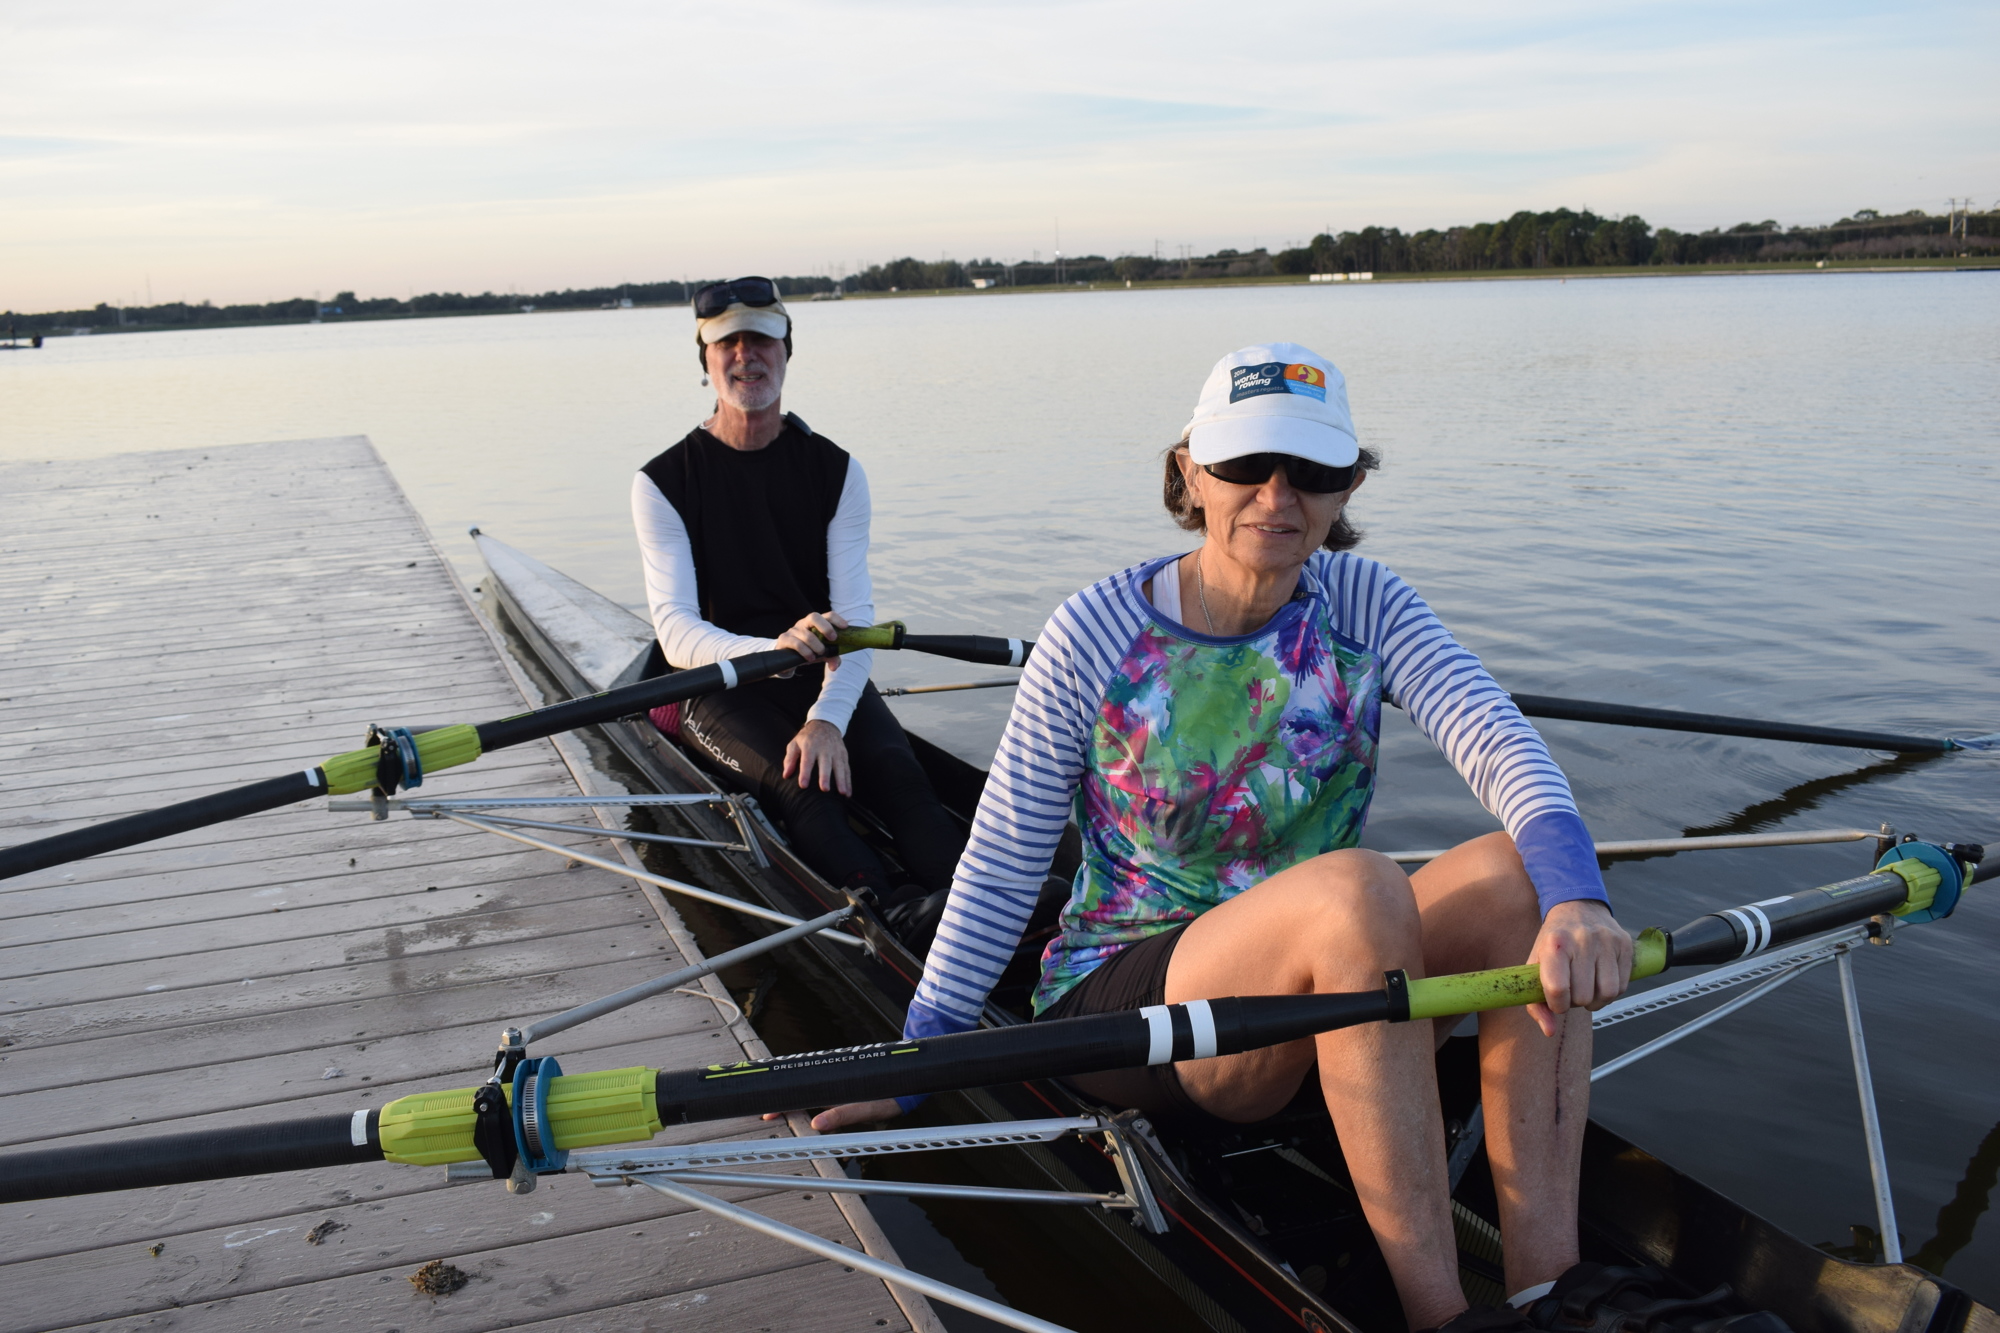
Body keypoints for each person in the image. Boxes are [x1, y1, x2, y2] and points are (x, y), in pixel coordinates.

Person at [811, 344, 1637, 1333]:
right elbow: (999, 862)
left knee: (1517, 878)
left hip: (1320, 971)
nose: (1275, 497)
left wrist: (1577, 896)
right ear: (1189, 473)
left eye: (1312, 472)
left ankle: (1550, 1292)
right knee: (1358, 889)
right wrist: (917, 1058)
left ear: (1348, 487)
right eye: (1244, 466)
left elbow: (1498, 740)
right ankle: (1438, 1316)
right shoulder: (1093, 633)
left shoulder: (1365, 603)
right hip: (1131, 1006)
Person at [631, 276, 965, 918]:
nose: (745, 355)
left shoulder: (836, 471)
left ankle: (979, 910)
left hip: (824, 666)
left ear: (788, 351)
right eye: (726, 343)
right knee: (800, 787)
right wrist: (776, 651)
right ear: (703, 361)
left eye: (761, 339)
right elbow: (675, 631)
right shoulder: (662, 482)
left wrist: (826, 720)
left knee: (901, 777)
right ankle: (886, 911)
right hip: (715, 680)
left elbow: (858, 623)